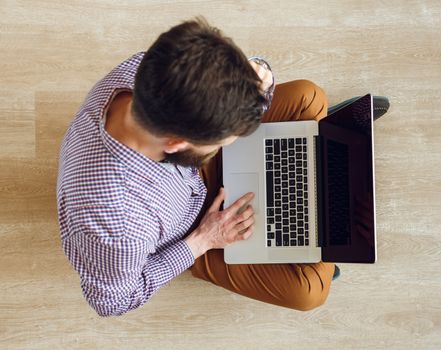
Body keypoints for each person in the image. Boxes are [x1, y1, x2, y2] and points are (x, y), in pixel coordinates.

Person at [57, 17, 335, 317]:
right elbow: (112, 302)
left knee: (308, 96)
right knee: (308, 291)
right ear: (176, 142)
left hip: (187, 173)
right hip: (192, 230)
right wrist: (203, 240)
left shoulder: (155, 66)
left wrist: (254, 80)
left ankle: (331, 159)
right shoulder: (118, 228)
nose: (227, 146)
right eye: (223, 143)